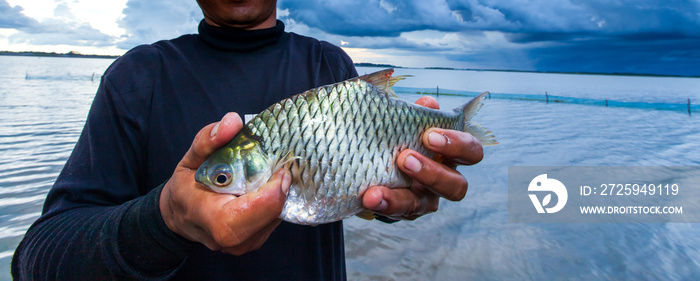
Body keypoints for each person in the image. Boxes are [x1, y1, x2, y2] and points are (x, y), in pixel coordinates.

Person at [12, 0, 484, 279]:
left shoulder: (329, 65)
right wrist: (167, 218)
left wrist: (400, 198)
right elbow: (36, 259)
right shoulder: (137, 77)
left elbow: (359, 191)